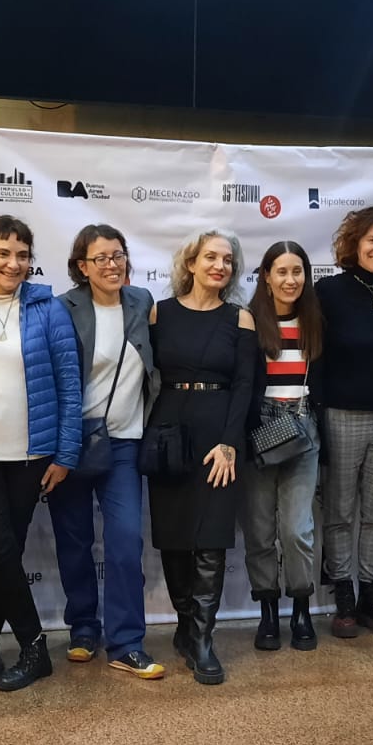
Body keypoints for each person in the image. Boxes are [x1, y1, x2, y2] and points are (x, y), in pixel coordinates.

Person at [0, 215, 81, 692]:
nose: (13, 263)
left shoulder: (49, 309)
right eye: (2, 253)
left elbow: (70, 385)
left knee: (6, 551)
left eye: (22, 255)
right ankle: (34, 645)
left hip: (30, 455)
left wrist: (65, 454)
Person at [48, 224, 164, 679]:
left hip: (124, 444)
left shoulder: (142, 302)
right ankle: (82, 627)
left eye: (118, 255)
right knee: (74, 540)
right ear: (82, 266)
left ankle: (126, 642)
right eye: (101, 258)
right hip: (72, 443)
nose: (112, 265)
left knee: (125, 541)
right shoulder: (63, 308)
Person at [148, 228, 257, 685]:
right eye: (211, 257)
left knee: (211, 537)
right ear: (191, 263)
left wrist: (230, 442)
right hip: (168, 431)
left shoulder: (240, 318)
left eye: (227, 260)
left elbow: (246, 385)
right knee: (174, 536)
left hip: (219, 435)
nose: (220, 266)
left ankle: (203, 638)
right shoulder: (159, 312)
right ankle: (184, 625)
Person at [314, 206, 373, 639]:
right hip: (340, 416)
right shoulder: (328, 291)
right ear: (354, 244)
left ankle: (372, 593)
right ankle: (344, 598)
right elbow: (315, 358)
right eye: (372, 240)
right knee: (338, 513)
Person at [238, 240, 323, 652]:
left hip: (302, 426)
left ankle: (301, 608)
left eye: (297, 271)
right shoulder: (249, 320)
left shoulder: (316, 321)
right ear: (266, 277)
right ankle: (267, 611)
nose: (290, 280)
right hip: (258, 427)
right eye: (282, 272)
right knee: (258, 530)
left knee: (296, 529)